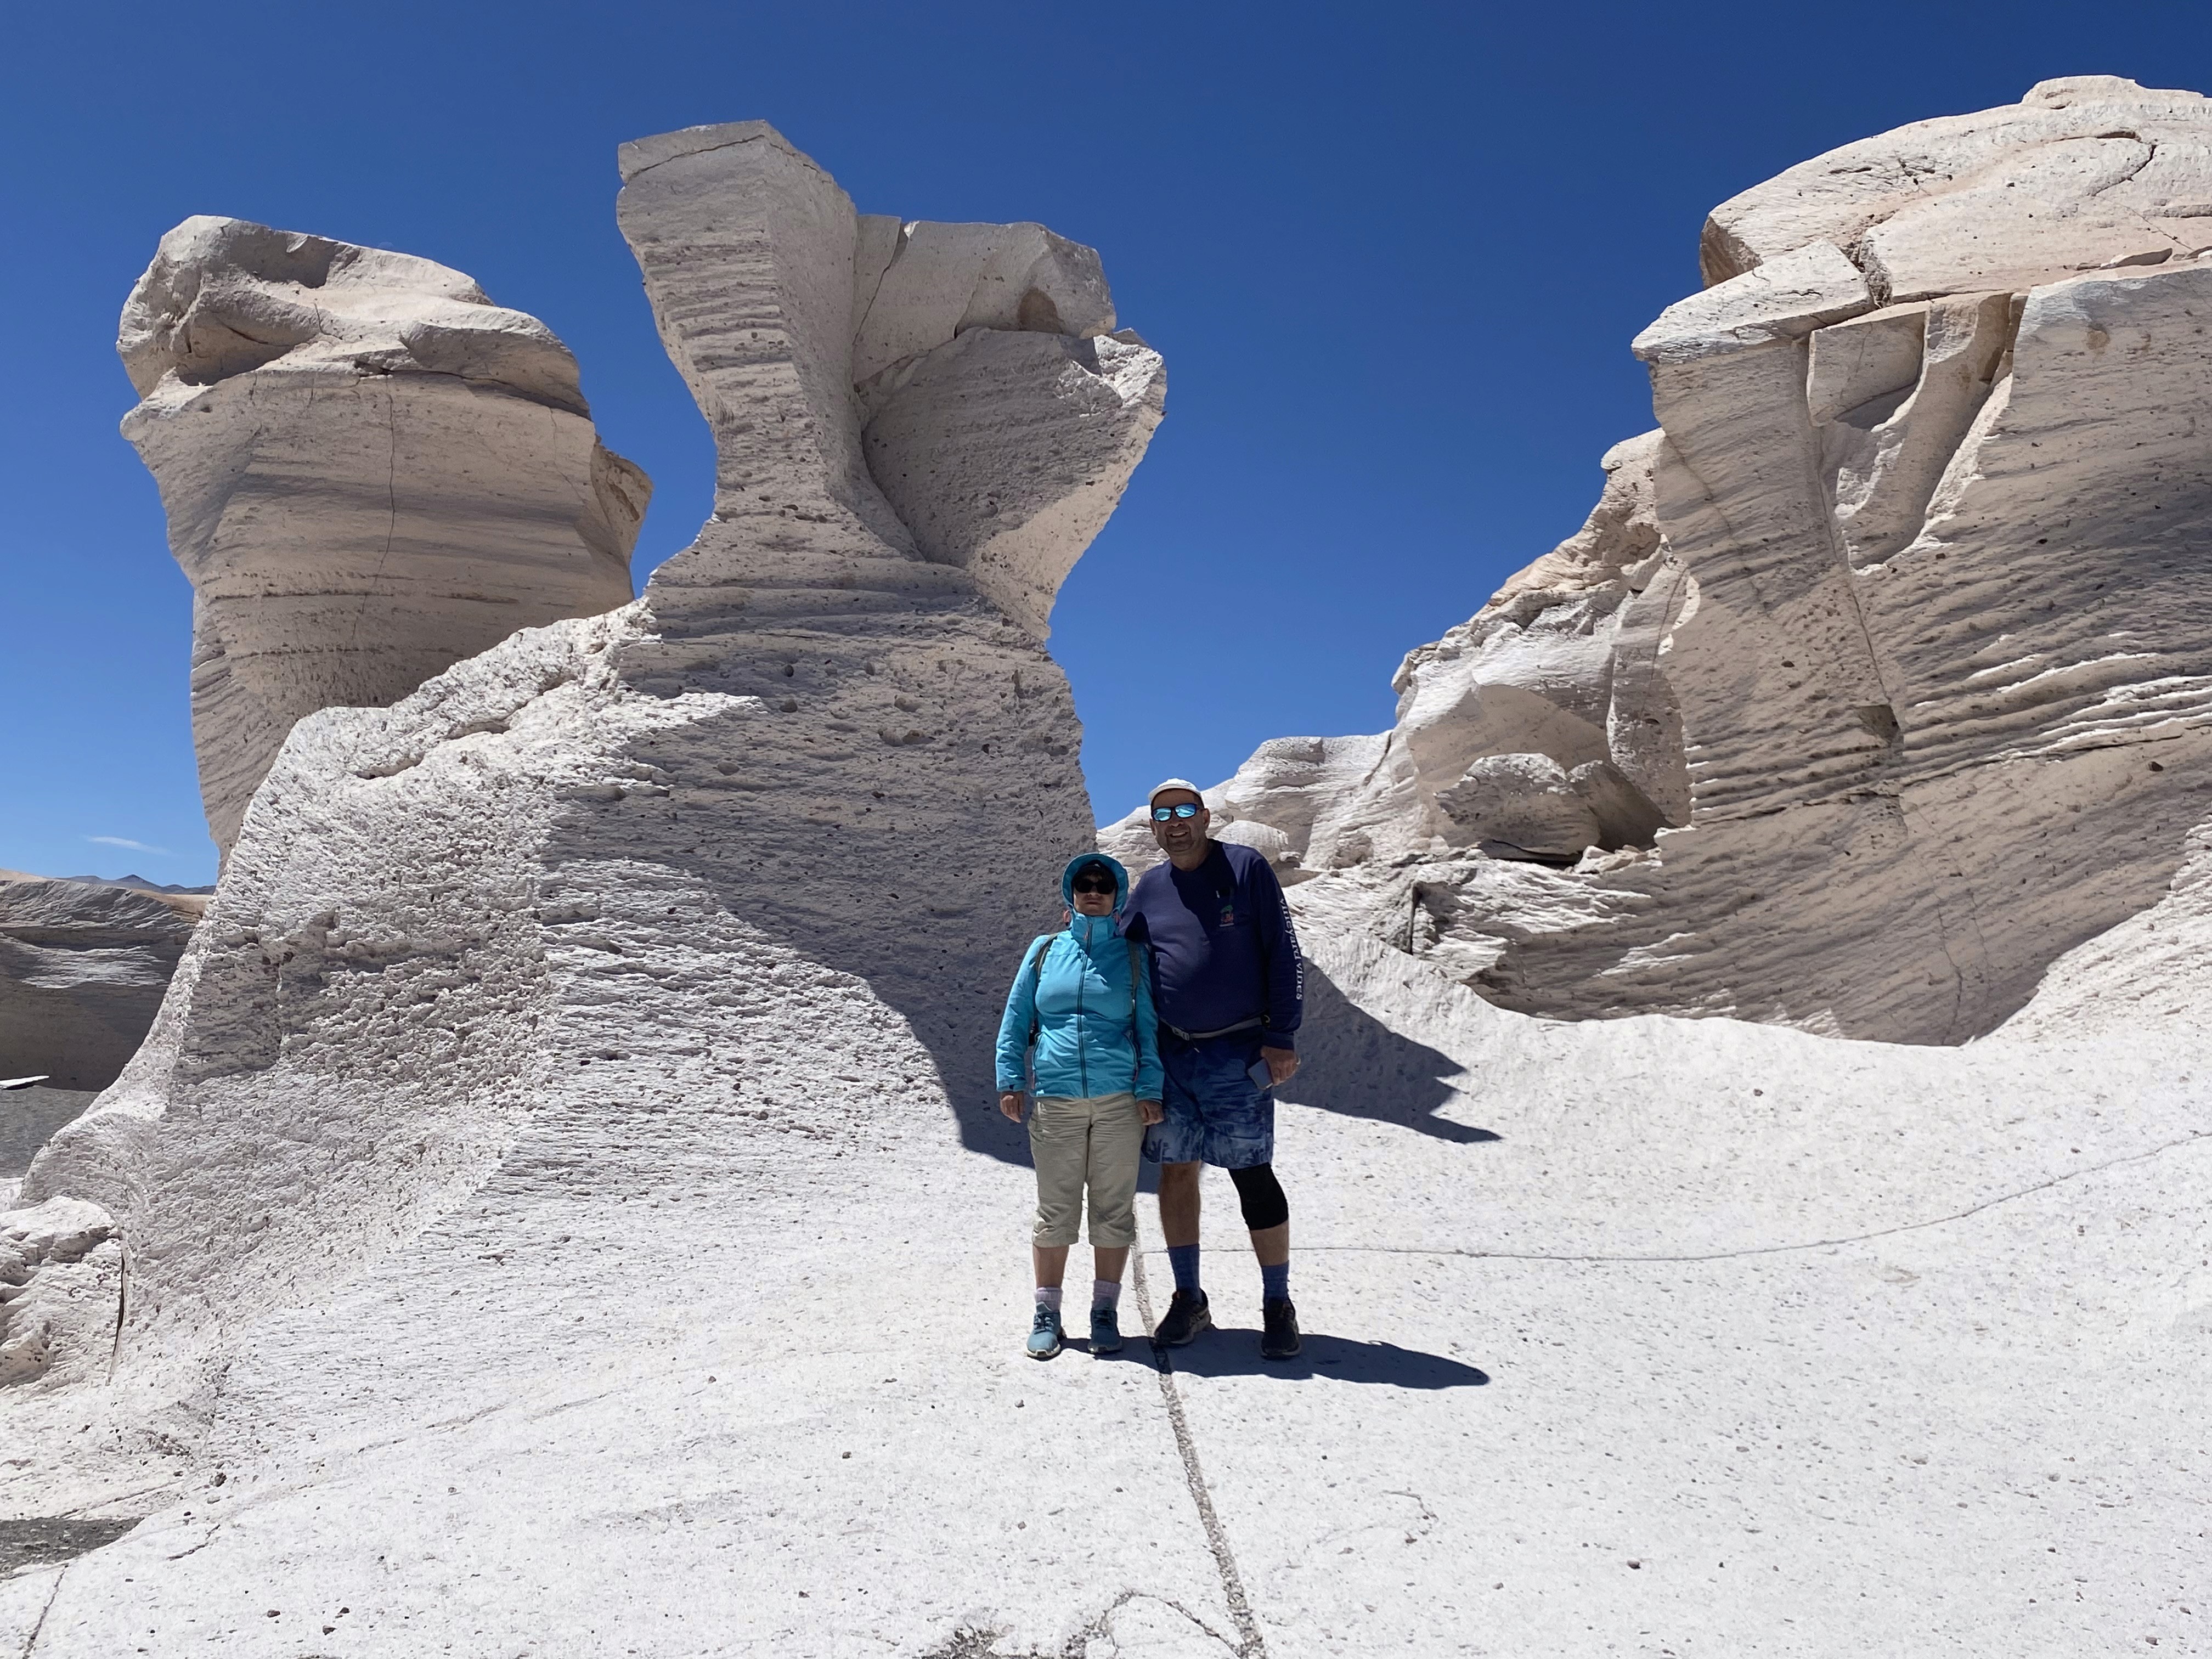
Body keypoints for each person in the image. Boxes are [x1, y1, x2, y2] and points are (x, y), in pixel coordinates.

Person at [1119, 780, 1305, 1360]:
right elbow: (1112, 953)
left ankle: (1278, 1303)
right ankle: (1189, 1297)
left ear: (1204, 816)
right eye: (1162, 816)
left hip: (1239, 1053)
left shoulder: (1244, 867)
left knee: (1252, 1174)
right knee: (1176, 1173)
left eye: (1184, 811)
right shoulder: (1150, 888)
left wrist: (1281, 1037)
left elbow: (1284, 953)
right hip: (1174, 1057)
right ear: (1153, 828)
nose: (1174, 822)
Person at [995, 853, 1165, 1360]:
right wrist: (1010, 1078)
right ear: (1071, 893)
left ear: (1117, 896)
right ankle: (1047, 1312)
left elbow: (1147, 1029)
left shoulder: (1133, 956)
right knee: (1056, 1210)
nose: (1094, 891)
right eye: (1085, 884)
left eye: (1104, 884)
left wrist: (1150, 1088)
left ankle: (1105, 1312)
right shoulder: (1045, 951)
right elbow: (1017, 1015)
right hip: (1055, 1098)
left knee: (1114, 1209)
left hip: (1118, 1101)